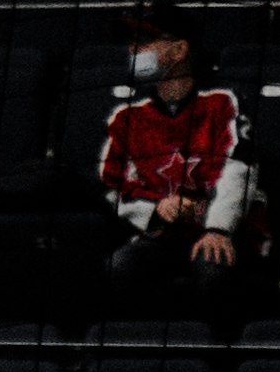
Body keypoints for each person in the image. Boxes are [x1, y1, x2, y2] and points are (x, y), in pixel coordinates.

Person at [94, 17, 260, 319]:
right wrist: (155, 210)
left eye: (144, 41)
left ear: (179, 49)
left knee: (214, 268)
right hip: (159, 235)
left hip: (218, 230)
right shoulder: (127, 116)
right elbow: (111, 185)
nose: (133, 49)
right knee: (120, 267)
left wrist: (217, 228)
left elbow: (240, 169)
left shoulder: (223, 102)